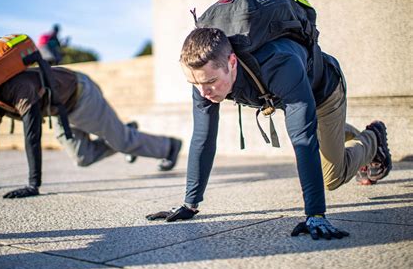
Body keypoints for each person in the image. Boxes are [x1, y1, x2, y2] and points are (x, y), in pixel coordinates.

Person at [146, 27, 392, 240]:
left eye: (210, 81)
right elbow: (203, 137)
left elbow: (303, 139)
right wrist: (190, 203)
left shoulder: (279, 63)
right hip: (291, 97)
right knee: (322, 138)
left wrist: (315, 215)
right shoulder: (203, 80)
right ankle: (334, 135)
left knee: (331, 177)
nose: (203, 92)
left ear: (232, 62)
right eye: (194, 83)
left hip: (324, 93)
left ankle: (373, 138)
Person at [0, 67, 182, 198]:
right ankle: (124, 131)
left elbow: (32, 136)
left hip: (81, 97)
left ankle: (169, 147)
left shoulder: (17, 92)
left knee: (123, 142)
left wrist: (33, 185)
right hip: (61, 111)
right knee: (83, 158)